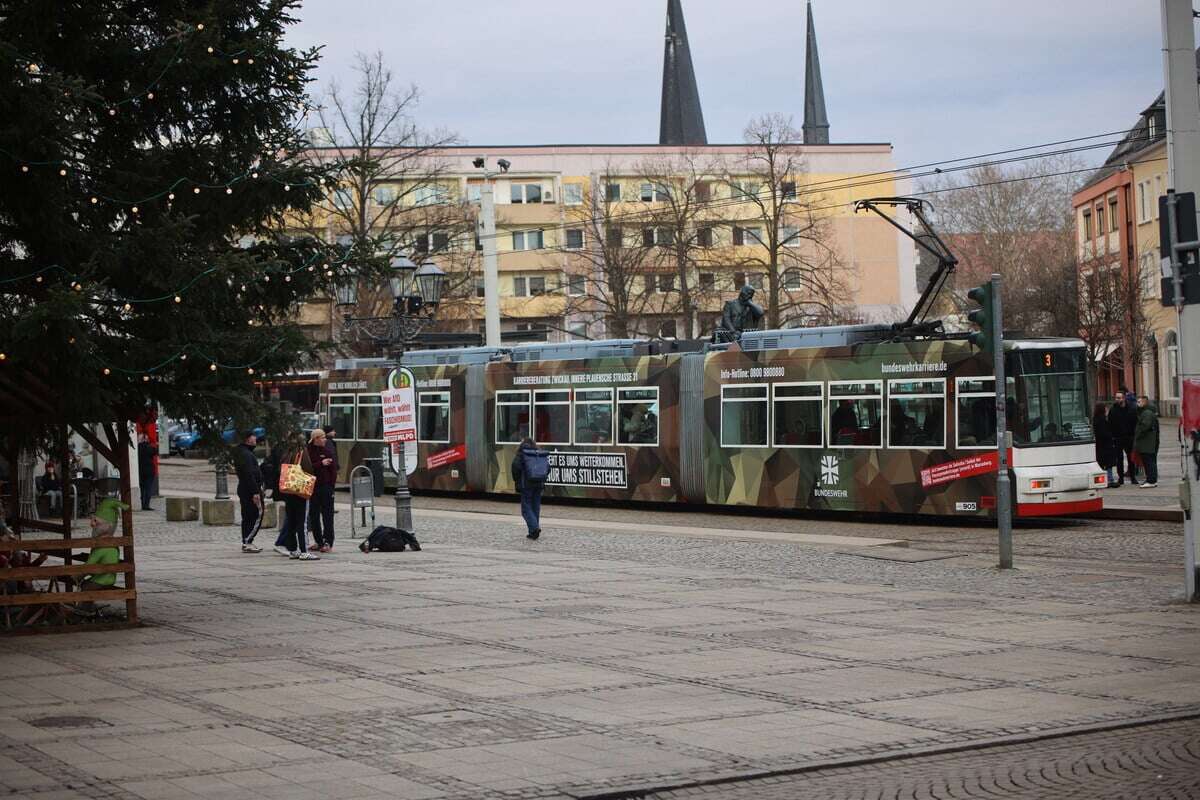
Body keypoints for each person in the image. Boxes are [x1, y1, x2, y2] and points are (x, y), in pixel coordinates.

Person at [273, 432, 319, 561]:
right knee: (302, 522)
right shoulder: (301, 453)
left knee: (292, 521)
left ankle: (293, 549)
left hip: (289, 491)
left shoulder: (287, 453)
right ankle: (304, 551)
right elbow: (308, 469)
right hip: (299, 491)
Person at [82, 497, 127, 592]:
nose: (92, 524)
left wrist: (77, 575)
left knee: (86, 587)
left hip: (102, 579)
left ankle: (84, 606)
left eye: (96, 521)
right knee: (85, 584)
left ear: (109, 525)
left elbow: (89, 565)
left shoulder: (103, 546)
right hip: (103, 577)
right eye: (92, 520)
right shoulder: (110, 543)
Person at [511, 437, 549, 540]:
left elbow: (515, 467)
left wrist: (517, 481)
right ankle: (532, 532)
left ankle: (534, 528)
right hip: (539, 484)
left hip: (526, 485)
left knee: (526, 508)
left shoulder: (521, 453)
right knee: (535, 507)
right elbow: (547, 468)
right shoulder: (538, 453)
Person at [232, 430, 264, 553]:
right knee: (256, 515)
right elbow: (249, 474)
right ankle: (248, 541)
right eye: (253, 437)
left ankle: (247, 541)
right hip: (250, 490)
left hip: (245, 488)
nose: (255, 439)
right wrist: (255, 492)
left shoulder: (243, 452)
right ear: (247, 439)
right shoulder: (246, 454)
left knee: (248, 516)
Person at [306, 428, 336, 552]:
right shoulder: (307, 452)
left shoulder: (327, 451)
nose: (325, 440)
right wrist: (320, 463)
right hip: (312, 487)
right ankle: (318, 541)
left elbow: (333, 471)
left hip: (326, 488)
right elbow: (306, 468)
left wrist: (331, 487)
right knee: (313, 515)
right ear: (316, 439)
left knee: (328, 515)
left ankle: (328, 541)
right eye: (323, 437)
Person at [1108, 390, 1137, 486]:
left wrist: (1133, 435)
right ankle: (1121, 478)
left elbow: (1135, 422)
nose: (1117, 399)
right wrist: (1113, 436)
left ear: (1124, 398)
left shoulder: (1132, 408)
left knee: (1131, 459)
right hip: (1118, 438)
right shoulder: (1113, 410)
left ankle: (1133, 477)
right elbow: (1110, 424)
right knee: (1119, 459)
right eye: (1116, 398)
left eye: (1119, 398)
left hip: (1129, 437)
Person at [1133, 395, 1160, 488]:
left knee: (1149, 461)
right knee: (1150, 461)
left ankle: (1151, 480)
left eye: (1139, 402)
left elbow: (1145, 426)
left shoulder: (1147, 413)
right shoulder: (1145, 412)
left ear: (1145, 402)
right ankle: (1152, 479)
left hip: (1147, 442)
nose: (1137, 404)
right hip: (1148, 442)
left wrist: (1138, 433)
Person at [1092, 403, 1118, 484]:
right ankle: (1109, 479)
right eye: (1106, 409)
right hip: (1106, 445)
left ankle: (1107, 479)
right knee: (1108, 463)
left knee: (1103, 463)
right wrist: (1111, 436)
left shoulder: (1096, 419)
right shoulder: (1102, 420)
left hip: (1101, 445)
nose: (1107, 410)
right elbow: (1104, 433)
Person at [136, 433, 156, 511]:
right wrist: (148, 442)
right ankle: (146, 505)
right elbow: (155, 451)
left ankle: (141, 503)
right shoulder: (149, 447)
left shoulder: (137, 448)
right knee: (148, 488)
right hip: (149, 471)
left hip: (140, 471)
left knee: (142, 488)